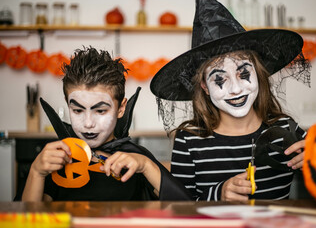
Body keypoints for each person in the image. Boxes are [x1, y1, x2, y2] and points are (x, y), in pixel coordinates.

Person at [150, 0, 311, 201]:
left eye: (244, 73)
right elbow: (179, 205)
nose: (235, 89)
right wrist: (218, 195)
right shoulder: (189, 140)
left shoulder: (285, 130)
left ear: (258, 73)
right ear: (205, 87)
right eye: (219, 79)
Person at [21, 47, 190, 201]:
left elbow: (184, 208)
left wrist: (146, 165)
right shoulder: (56, 159)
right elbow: (26, 222)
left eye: (100, 111)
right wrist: (36, 172)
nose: (88, 123)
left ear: (121, 109)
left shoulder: (136, 159)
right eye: (78, 111)